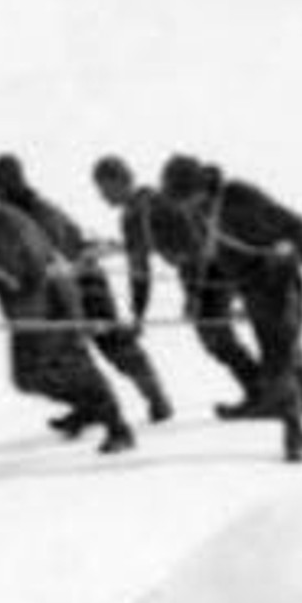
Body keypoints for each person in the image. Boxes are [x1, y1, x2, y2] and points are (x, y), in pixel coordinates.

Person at [160, 155, 302, 460]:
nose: (183, 206)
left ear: (197, 186)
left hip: (279, 280)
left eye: (184, 198)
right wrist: (199, 296)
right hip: (251, 288)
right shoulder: (200, 209)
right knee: (289, 357)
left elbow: (297, 226)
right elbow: (213, 258)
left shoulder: (239, 196)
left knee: (279, 357)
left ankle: (296, 435)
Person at [0, 174, 134, 452]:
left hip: (54, 305)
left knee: (79, 368)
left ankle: (119, 429)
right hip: (23, 316)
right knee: (26, 378)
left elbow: (43, 268)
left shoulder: (7, 221)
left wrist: (68, 318)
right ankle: (87, 409)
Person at [0, 153, 173, 423]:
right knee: (65, 355)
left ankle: (156, 397)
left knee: (112, 342)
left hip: (83, 278)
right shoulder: (8, 217)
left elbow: (62, 249)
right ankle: (91, 408)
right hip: (53, 291)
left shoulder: (38, 211)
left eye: (3, 183)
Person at [95, 153, 265, 411]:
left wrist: (195, 294)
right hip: (201, 269)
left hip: (211, 268)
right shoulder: (142, 208)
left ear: (121, 181)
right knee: (215, 336)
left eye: (105, 187)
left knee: (216, 335)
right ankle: (262, 391)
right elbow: (139, 270)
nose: (102, 195)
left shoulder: (150, 209)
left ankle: (264, 393)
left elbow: (194, 247)